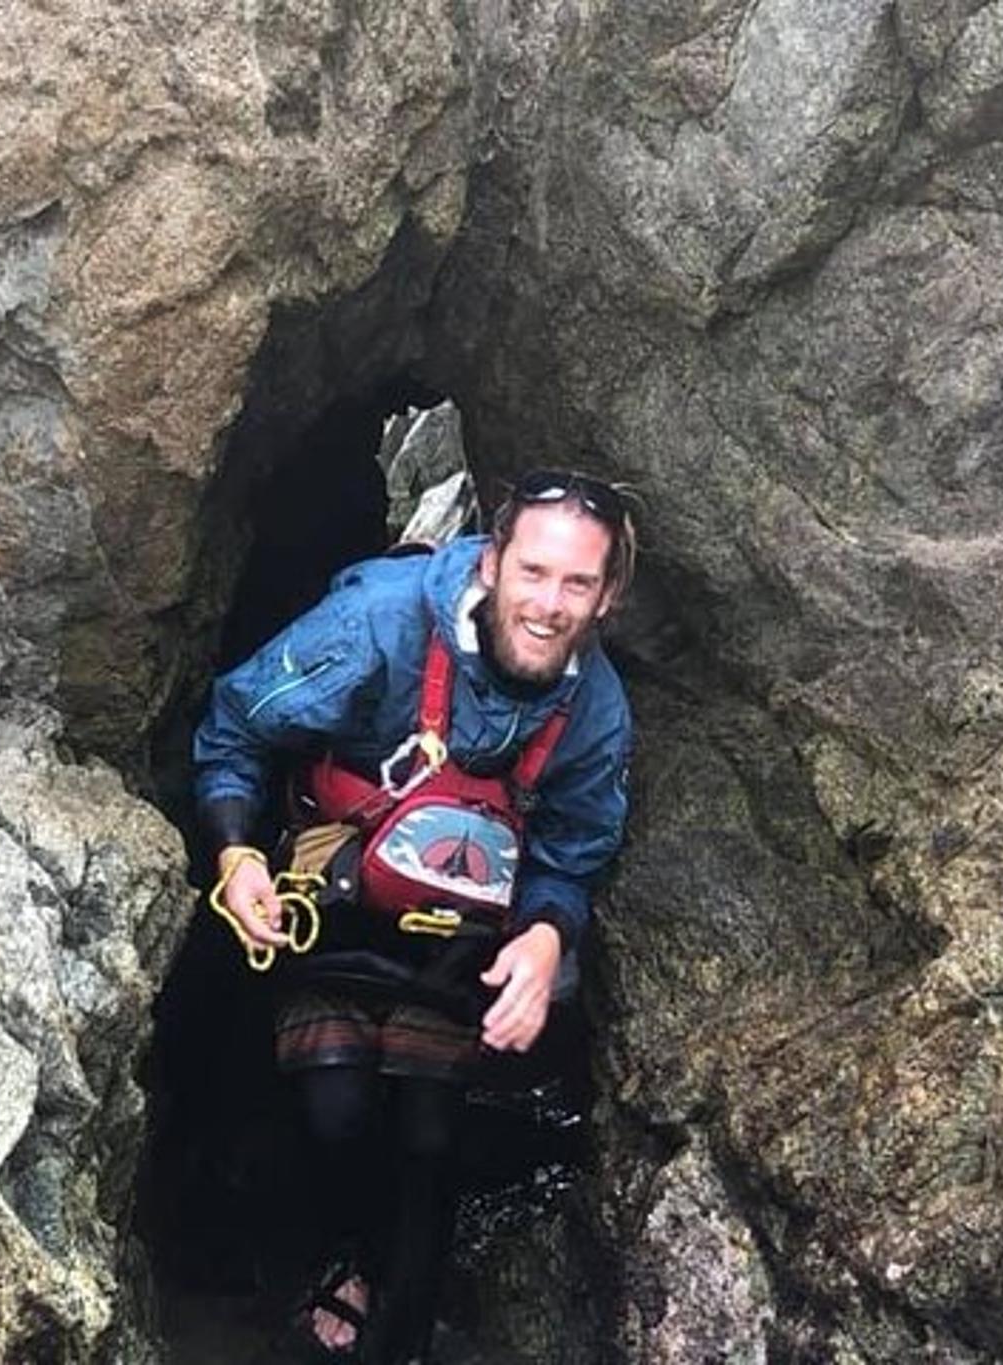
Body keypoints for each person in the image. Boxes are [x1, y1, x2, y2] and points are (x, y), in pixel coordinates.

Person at [192, 469, 637, 1364]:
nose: (549, 603)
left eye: (577, 583)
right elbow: (236, 724)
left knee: (429, 1128)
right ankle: (334, 1258)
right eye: (534, 572)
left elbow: (575, 849)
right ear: (493, 556)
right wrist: (238, 854)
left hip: (458, 935)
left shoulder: (596, 709)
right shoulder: (379, 623)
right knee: (336, 1105)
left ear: (607, 594)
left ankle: (404, 1319)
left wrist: (548, 937)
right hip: (332, 913)